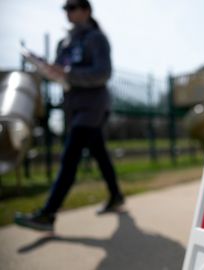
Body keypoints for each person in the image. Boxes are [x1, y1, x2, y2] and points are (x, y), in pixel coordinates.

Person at [15, 0, 124, 232]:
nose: (68, 12)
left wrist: (69, 73)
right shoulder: (64, 43)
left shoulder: (96, 38)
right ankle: (116, 196)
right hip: (73, 107)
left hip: (92, 106)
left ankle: (48, 214)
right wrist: (46, 69)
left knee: (70, 156)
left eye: (73, 7)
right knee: (99, 154)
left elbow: (103, 73)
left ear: (86, 10)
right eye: (66, 8)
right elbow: (60, 75)